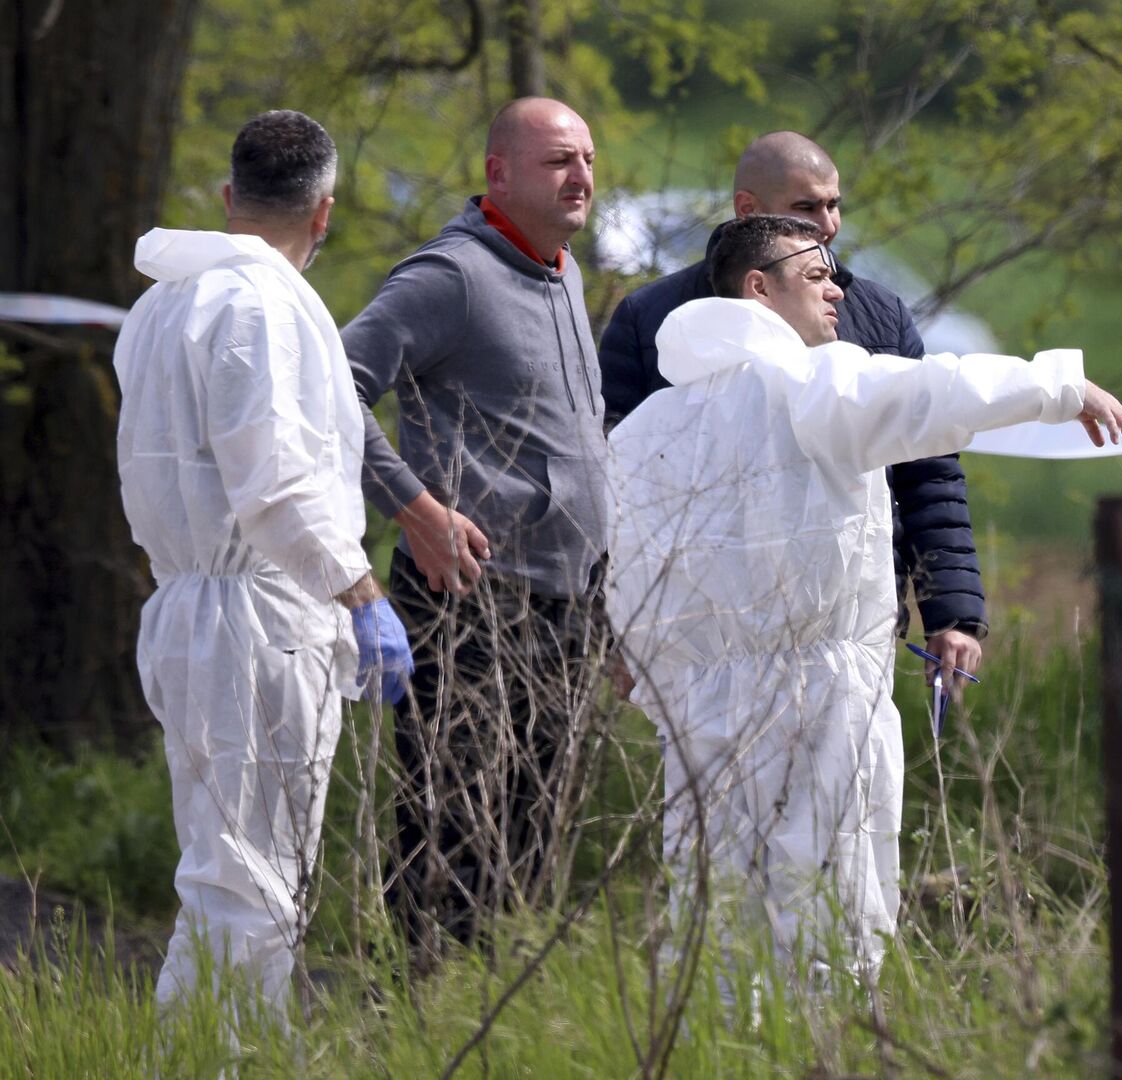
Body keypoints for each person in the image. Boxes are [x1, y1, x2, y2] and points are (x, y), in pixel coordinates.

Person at [604, 215, 1122, 982]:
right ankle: (828, 1056)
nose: (837, 287)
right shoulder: (817, 383)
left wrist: (672, 692)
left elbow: (627, 580)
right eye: (815, 272)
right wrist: (1062, 386)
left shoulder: (650, 427)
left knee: (715, 913)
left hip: (700, 716)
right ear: (758, 288)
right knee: (834, 909)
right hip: (822, 704)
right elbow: (935, 390)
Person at [113, 110, 413, 1016]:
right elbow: (273, 480)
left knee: (229, 872)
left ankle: (216, 1054)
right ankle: (218, 1060)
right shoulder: (262, 306)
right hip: (258, 618)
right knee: (251, 884)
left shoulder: (164, 303)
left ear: (229, 197)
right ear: (324, 213)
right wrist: (359, 590)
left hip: (191, 608)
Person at [344, 97, 611, 959]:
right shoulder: (447, 277)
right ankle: (420, 1019)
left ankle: (498, 1018)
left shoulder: (563, 268)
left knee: (531, 847)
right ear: (498, 172)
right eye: (558, 161)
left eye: (588, 160)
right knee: (451, 837)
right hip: (469, 604)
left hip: (567, 610)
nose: (582, 177)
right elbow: (329, 393)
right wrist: (413, 508)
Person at [599, 131, 987, 700]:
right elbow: (618, 484)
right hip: (707, 641)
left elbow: (927, 470)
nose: (828, 224)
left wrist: (952, 612)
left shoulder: (877, 316)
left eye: (834, 204)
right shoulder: (653, 317)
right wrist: (619, 628)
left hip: (852, 625)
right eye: (807, 207)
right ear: (747, 210)